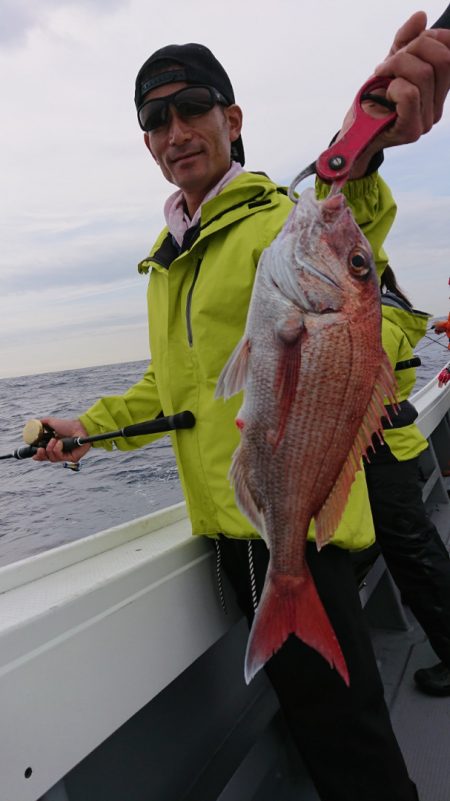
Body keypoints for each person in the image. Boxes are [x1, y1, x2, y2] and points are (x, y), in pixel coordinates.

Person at [34, 12, 450, 801]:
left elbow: (353, 249)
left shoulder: (277, 223)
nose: (174, 130)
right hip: (234, 532)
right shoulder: (169, 262)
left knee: (352, 740)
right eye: (154, 120)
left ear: (233, 119)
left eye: (192, 107)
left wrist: (366, 145)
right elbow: (175, 389)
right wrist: (88, 426)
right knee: (310, 719)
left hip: (301, 533)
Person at [362, 265, 450, 697]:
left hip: (383, 457)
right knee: (420, 552)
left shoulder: (374, 322)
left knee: (417, 556)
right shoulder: (387, 315)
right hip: (394, 453)